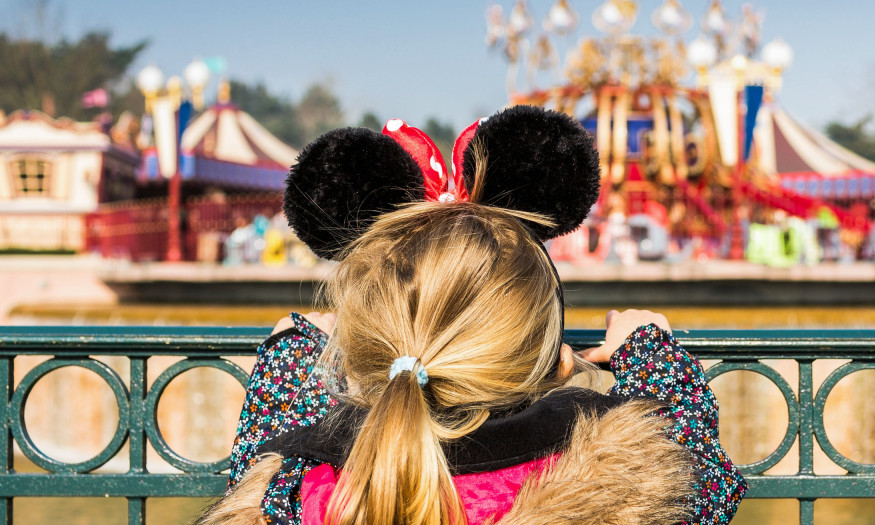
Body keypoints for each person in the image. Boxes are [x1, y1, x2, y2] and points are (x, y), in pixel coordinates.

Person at [198, 106, 746, 525]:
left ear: (360, 356)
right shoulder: (622, 483)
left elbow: (258, 466)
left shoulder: (304, 490)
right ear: (553, 360)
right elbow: (697, 468)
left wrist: (290, 360)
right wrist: (649, 352)